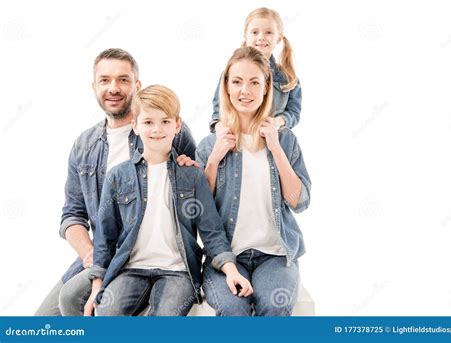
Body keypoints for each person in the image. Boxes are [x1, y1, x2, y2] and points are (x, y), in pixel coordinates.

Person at [35, 48, 197, 316]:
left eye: (123, 80)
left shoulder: (165, 129)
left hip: (153, 256)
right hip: (102, 254)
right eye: (105, 80)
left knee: (79, 301)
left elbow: (199, 186)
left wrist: (193, 166)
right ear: (94, 86)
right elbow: (72, 215)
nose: (114, 88)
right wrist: (91, 255)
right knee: (43, 321)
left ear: (137, 85)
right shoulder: (85, 146)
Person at [86, 85, 252, 316]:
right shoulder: (117, 176)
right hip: (130, 269)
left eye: (165, 121)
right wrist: (97, 287)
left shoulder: (192, 176)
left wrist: (231, 270)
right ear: (134, 125)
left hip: (178, 271)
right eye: (148, 122)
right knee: (107, 314)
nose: (157, 129)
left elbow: (212, 231)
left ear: (177, 124)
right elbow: (105, 236)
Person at [196, 47, 311, 316]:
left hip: (274, 255)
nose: (245, 91)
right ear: (225, 87)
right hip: (225, 258)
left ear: (266, 87)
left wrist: (276, 148)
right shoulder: (209, 144)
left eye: (254, 82)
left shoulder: (285, 140)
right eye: (236, 82)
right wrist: (213, 160)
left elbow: (300, 202)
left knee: (275, 304)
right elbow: (199, 213)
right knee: (234, 309)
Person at [210, 7, 302, 133]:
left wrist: (277, 122)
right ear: (245, 36)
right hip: (236, 141)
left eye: (268, 32)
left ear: (279, 38)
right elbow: (218, 111)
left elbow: (294, 112)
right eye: (254, 32)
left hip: (272, 141)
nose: (261, 37)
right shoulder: (230, 71)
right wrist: (220, 128)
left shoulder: (288, 78)